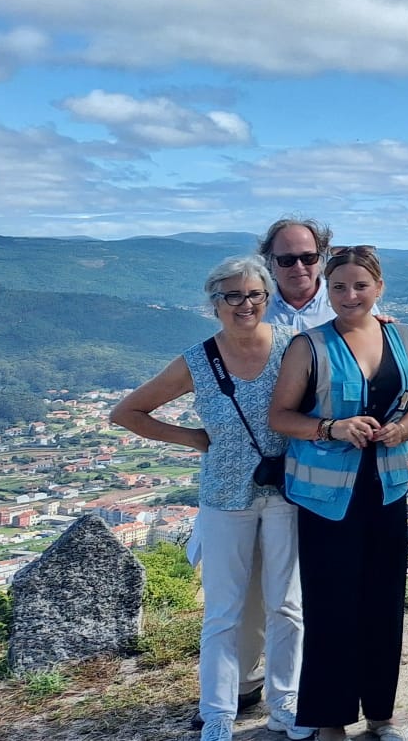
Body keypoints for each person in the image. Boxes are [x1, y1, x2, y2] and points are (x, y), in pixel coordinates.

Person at [111, 256, 304, 741]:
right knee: (224, 609)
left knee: (287, 605)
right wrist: (193, 438)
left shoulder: (291, 348)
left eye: (255, 295)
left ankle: (287, 703)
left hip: (285, 492)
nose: (245, 304)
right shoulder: (199, 359)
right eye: (232, 296)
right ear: (214, 303)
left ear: (267, 298)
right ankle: (217, 712)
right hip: (225, 495)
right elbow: (128, 412)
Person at [268, 245, 408, 741]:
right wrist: (331, 428)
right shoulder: (309, 346)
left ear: (378, 288)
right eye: (338, 286)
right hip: (327, 499)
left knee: (384, 604)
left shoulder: (405, 336)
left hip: (386, 489)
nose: (349, 295)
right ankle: (330, 720)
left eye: (360, 286)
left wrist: (402, 429)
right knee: (330, 608)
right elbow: (280, 417)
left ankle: (382, 715)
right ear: (328, 289)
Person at [261, 218, 335, 333]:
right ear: (270, 262)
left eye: (308, 258)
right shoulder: (255, 306)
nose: (299, 266)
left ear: (321, 259)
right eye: (287, 260)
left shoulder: (346, 300)